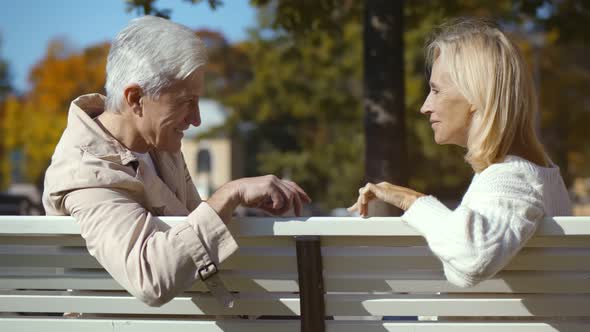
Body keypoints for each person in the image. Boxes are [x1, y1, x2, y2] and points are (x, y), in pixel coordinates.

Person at [42, 16, 310, 307]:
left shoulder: (160, 144)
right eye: (186, 101)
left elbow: (193, 231)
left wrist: (235, 206)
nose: (196, 120)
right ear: (135, 99)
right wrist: (229, 194)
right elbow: (151, 278)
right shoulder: (85, 173)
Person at [349, 17, 572, 288]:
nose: (425, 106)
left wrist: (410, 200)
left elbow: (471, 260)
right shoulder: (534, 173)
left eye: (435, 90)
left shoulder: (512, 177)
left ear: (476, 95)